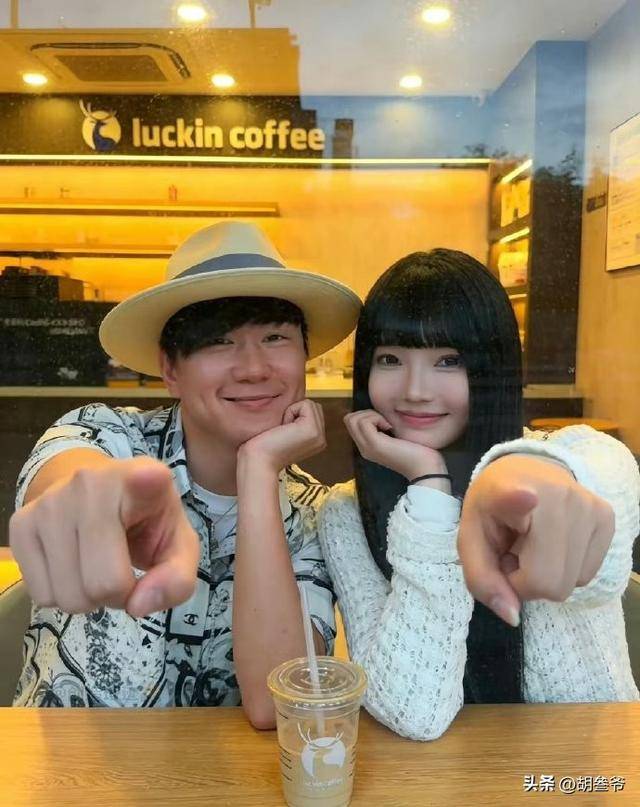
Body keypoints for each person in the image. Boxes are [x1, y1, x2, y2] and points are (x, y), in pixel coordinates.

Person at [9, 221, 361, 725]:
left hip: (222, 771)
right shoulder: (107, 437)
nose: (254, 368)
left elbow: (276, 705)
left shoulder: (315, 513)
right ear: (170, 370)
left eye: (275, 337)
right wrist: (86, 503)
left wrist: (258, 470)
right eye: (218, 342)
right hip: (68, 766)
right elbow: (70, 475)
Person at [317, 248, 639, 740]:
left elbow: (600, 545)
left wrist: (527, 473)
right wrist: (429, 484)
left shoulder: (576, 457)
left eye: (448, 360)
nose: (415, 390)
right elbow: (411, 712)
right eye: (390, 359)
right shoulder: (344, 513)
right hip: (446, 770)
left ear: (491, 367)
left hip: (579, 766)